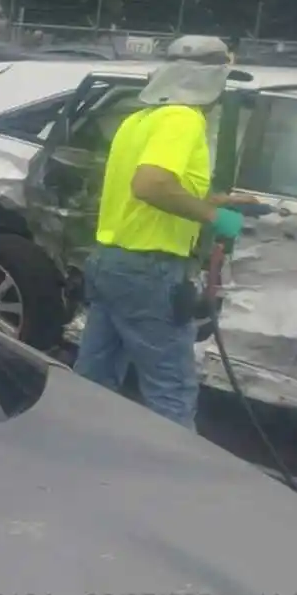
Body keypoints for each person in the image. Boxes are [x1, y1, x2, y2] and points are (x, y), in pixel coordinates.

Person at [71, 59, 257, 428]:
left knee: (94, 379)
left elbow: (151, 187)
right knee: (171, 389)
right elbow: (150, 185)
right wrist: (214, 218)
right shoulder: (183, 119)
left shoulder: (139, 120)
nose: (219, 100)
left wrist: (216, 202)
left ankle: (74, 456)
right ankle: (172, 480)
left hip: (112, 262)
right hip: (150, 271)